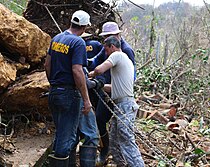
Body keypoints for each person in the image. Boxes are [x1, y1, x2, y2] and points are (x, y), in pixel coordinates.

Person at [44, 10, 92, 166]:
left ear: (71, 22)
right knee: (67, 138)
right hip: (69, 94)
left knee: (60, 134)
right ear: (84, 27)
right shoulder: (78, 43)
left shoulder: (57, 38)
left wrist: (54, 83)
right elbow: (77, 70)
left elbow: (47, 64)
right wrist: (86, 99)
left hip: (54, 92)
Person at [89, 36, 144, 167]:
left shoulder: (118, 56)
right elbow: (114, 88)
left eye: (106, 50)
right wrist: (98, 85)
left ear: (112, 47)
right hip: (121, 104)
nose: (106, 54)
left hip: (125, 105)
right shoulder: (125, 61)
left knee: (126, 139)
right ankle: (121, 164)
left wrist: (89, 75)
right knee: (114, 140)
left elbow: (99, 70)